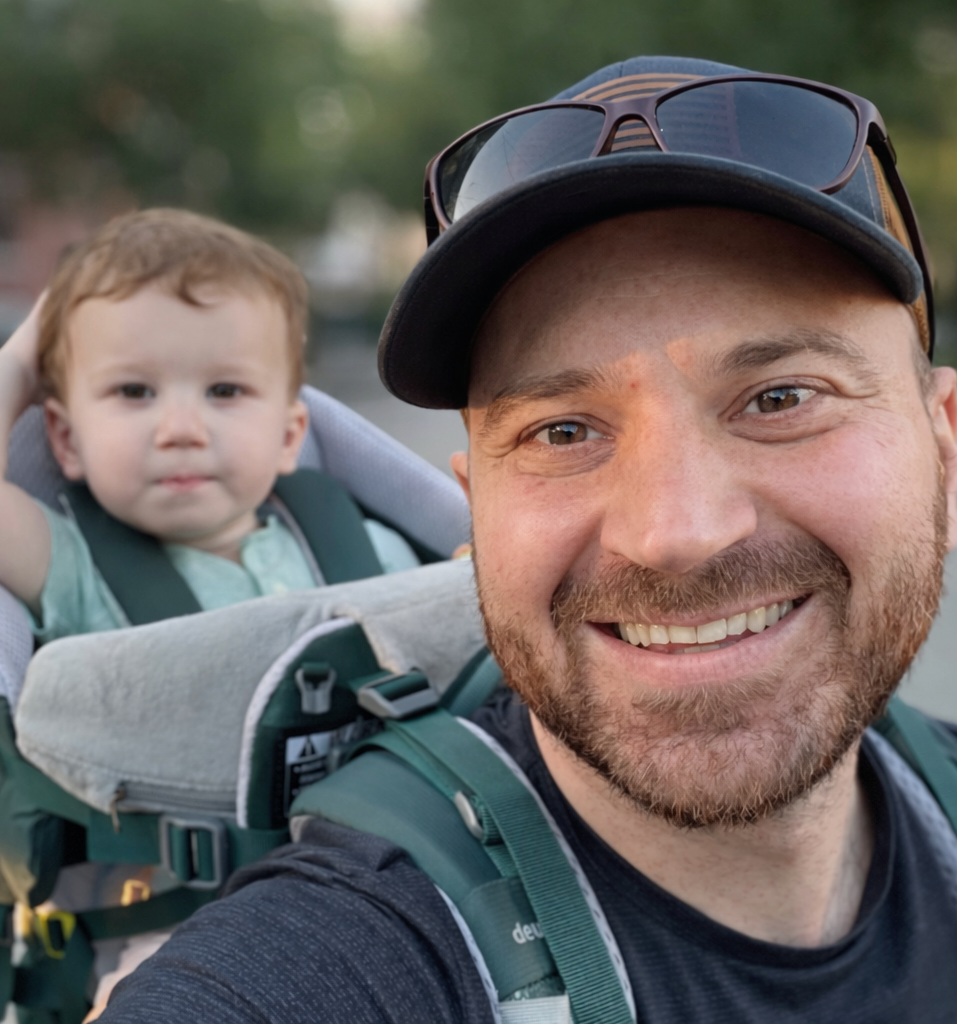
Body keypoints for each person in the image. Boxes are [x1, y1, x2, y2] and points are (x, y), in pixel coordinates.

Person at [98, 56, 957, 1022]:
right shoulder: (346, 953)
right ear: (477, 509)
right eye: (562, 431)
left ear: (943, 451)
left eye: (781, 398)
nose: (674, 532)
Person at [0, 207, 419, 644]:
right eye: (134, 391)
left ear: (288, 437)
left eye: (224, 391)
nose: (182, 430)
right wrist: (22, 358)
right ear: (67, 439)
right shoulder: (73, 572)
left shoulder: (372, 552)